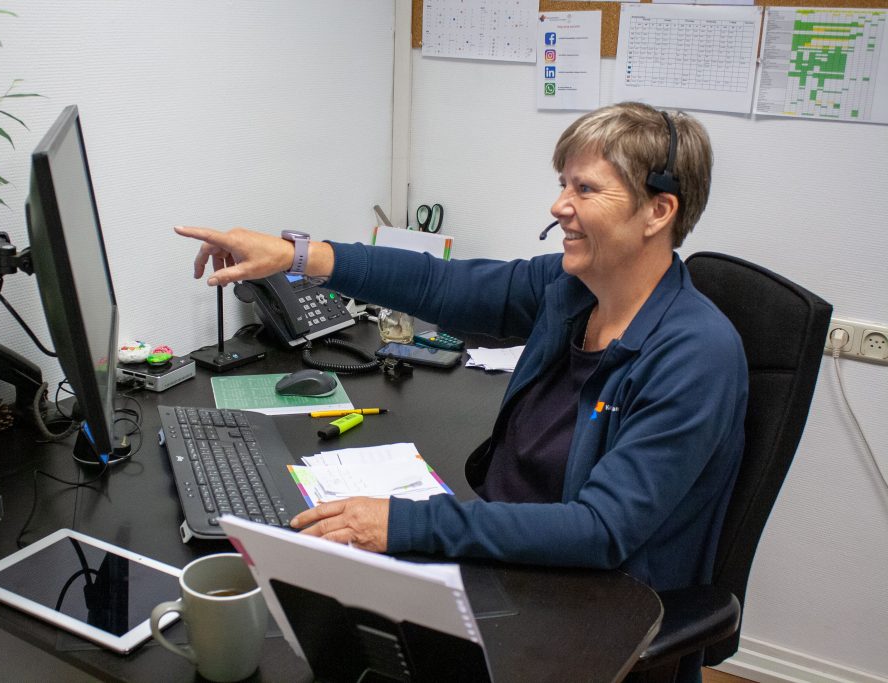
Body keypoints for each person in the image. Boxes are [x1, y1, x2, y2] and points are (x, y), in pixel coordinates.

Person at [175, 102, 747, 597]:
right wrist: (293, 255)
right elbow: (438, 284)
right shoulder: (571, 290)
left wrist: (405, 526)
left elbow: (599, 530)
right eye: (562, 184)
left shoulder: (695, 355)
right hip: (506, 548)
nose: (559, 206)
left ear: (658, 211)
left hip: (586, 594)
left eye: (586, 189)